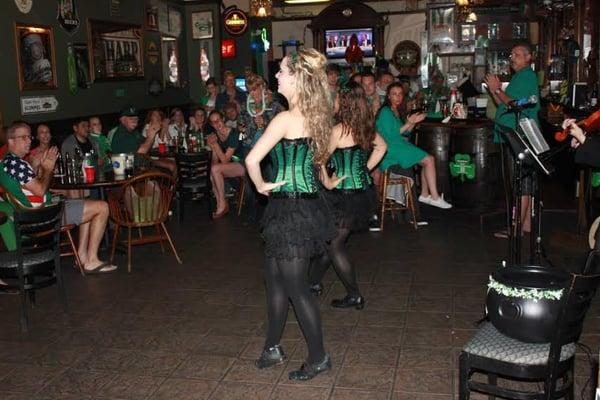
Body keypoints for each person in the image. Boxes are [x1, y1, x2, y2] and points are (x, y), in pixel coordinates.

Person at [245, 48, 335, 381]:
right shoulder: (320, 116)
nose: (277, 76)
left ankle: (319, 357)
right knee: (275, 281)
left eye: (282, 71)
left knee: (296, 287)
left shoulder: (283, 119)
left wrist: (262, 186)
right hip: (306, 206)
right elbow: (321, 162)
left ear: (298, 78)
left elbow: (252, 160)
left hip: (289, 210)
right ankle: (272, 347)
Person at [309, 81, 387, 308]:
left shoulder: (338, 130)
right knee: (330, 240)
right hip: (361, 193)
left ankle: (354, 295)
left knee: (334, 245)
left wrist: (328, 182)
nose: (334, 101)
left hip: (342, 196)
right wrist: (366, 169)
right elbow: (382, 148)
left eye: (336, 98)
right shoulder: (365, 127)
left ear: (344, 103)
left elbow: (319, 159)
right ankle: (312, 282)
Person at [0, 122, 116, 273]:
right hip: (44, 217)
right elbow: (41, 190)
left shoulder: (8, 162)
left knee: (85, 204)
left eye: (29, 136)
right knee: (102, 207)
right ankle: (92, 260)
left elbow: (31, 189)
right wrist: (47, 169)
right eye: (23, 137)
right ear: (10, 141)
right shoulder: (16, 164)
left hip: (36, 213)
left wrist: (38, 168)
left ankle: (82, 257)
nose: (29, 140)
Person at [484, 41, 540, 236]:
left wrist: (497, 89)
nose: (512, 58)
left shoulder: (526, 75)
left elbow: (515, 104)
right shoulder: (520, 77)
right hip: (514, 134)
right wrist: (495, 89)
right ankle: (524, 225)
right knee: (523, 182)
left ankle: (516, 227)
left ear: (528, 57)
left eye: (516, 54)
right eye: (511, 55)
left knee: (521, 182)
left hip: (520, 135)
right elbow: (506, 103)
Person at [376, 82, 452, 209]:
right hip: (389, 148)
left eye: (400, 94)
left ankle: (424, 194)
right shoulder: (385, 111)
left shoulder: (395, 110)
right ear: (388, 96)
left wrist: (413, 122)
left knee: (427, 160)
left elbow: (405, 132)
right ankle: (434, 197)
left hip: (397, 145)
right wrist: (410, 122)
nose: (398, 97)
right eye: (394, 94)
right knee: (429, 159)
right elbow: (391, 135)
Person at [110, 105, 176, 175]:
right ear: (122, 120)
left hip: (144, 164)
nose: (135, 120)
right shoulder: (122, 134)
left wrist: (151, 135)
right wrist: (151, 136)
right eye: (131, 118)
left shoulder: (134, 132)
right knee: (160, 174)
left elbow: (147, 146)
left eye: (136, 118)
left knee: (173, 165)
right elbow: (139, 154)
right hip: (130, 171)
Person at [206, 110, 245, 219]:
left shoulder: (234, 134)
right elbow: (215, 161)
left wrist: (215, 144)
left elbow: (225, 161)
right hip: (230, 166)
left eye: (218, 120)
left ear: (223, 119)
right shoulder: (215, 136)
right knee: (211, 171)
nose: (217, 123)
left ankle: (222, 205)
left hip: (242, 164)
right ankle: (220, 203)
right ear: (211, 125)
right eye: (213, 122)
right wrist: (213, 146)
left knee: (215, 169)